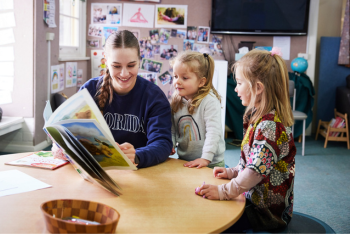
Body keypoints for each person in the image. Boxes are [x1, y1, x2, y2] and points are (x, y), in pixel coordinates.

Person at [196, 48, 296, 232]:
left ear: (258, 88)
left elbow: (255, 172)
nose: (235, 88)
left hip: (265, 213)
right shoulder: (256, 116)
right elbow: (253, 161)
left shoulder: (270, 127)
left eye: (240, 83)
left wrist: (223, 191)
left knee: (210, 221)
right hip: (252, 198)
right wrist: (232, 172)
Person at [53, 30, 172, 168]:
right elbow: (69, 130)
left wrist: (138, 155)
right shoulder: (90, 90)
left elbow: (163, 143)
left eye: (131, 65)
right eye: (116, 66)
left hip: (139, 173)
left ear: (140, 60)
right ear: (106, 60)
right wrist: (61, 146)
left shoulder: (154, 97)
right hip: (96, 171)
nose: (124, 73)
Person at [170, 51, 225, 169]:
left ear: (201, 82)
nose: (177, 81)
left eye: (184, 78)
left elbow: (213, 132)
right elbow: (172, 129)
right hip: (185, 160)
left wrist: (205, 158)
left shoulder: (209, 101)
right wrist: (170, 144)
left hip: (211, 163)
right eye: (175, 76)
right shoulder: (175, 101)